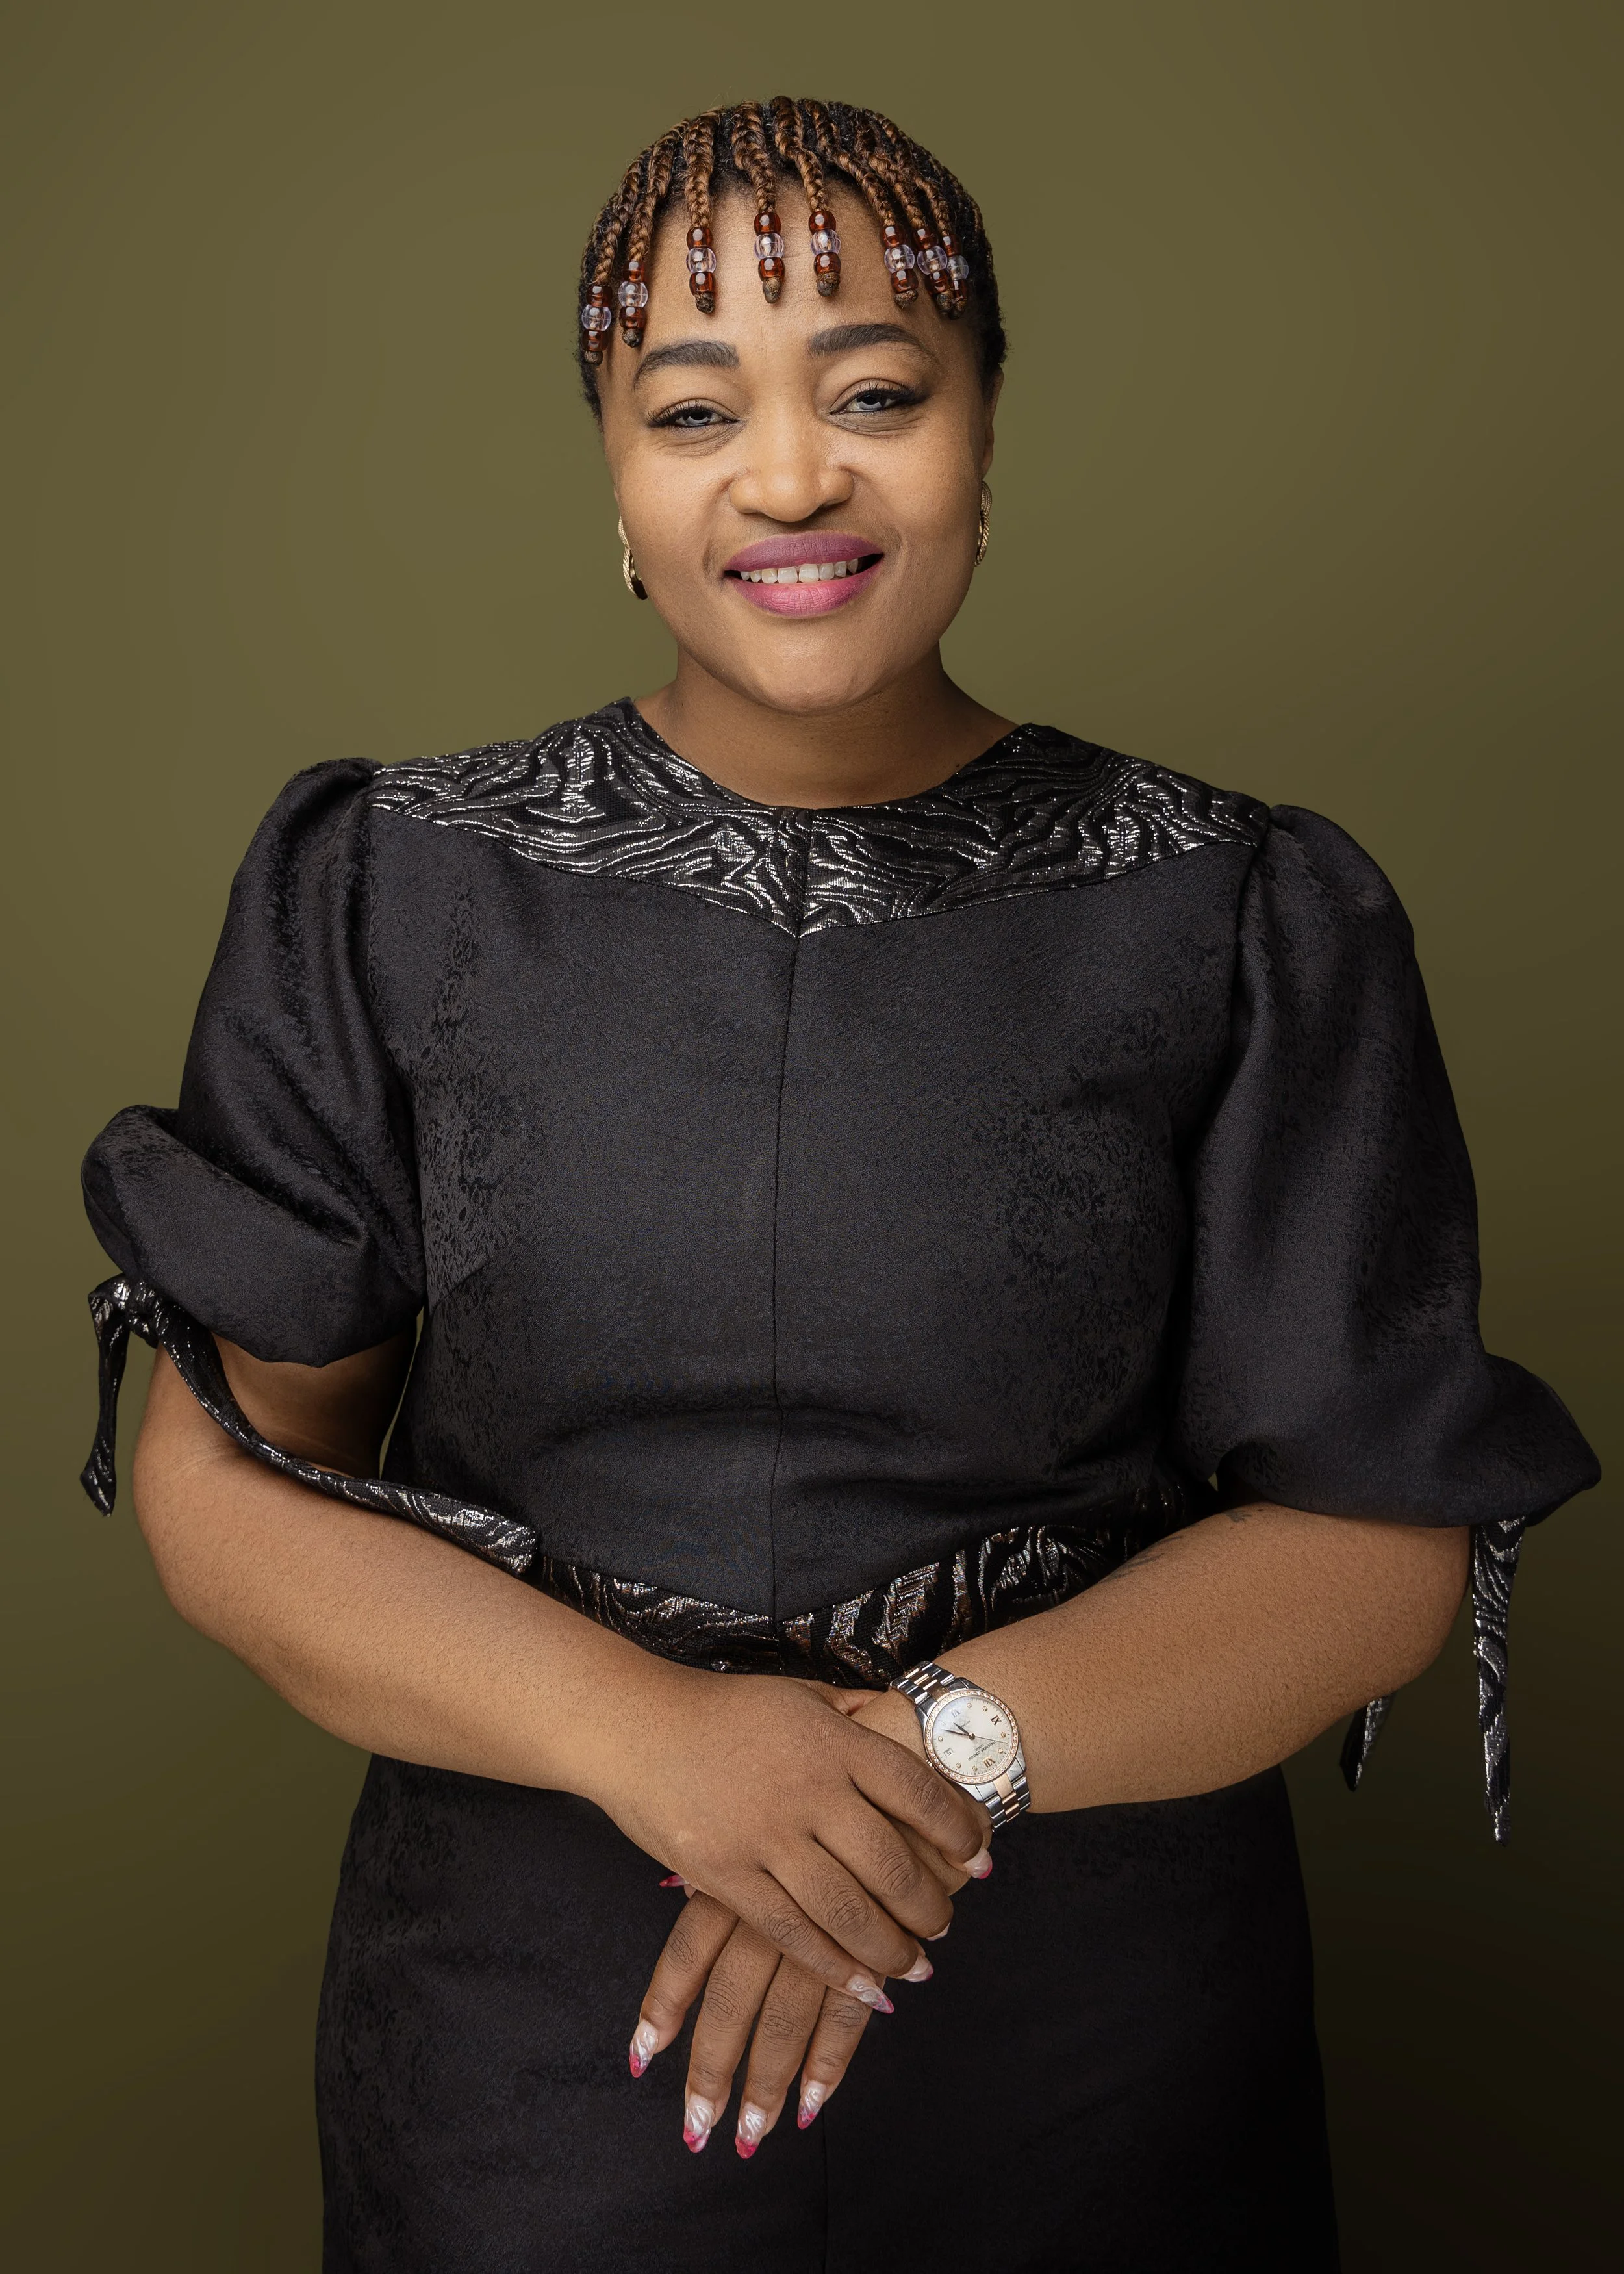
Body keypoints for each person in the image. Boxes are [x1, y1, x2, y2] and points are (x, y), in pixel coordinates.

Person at [79, 97, 1597, 2273]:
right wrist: (666, 1748)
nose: (790, 477)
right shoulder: (392, 886)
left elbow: (1374, 1536)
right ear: (611, 472)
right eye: (692, 409)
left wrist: (929, 1759)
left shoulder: (1238, 907)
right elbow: (232, 1485)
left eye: (877, 392)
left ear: (988, 432)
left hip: (1090, 2039)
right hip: (539, 2040)